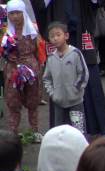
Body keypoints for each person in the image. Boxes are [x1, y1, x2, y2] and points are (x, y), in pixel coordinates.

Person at [2, 0, 45, 142]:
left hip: (31, 68)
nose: (15, 17)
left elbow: (39, 50)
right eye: (12, 13)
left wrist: (38, 67)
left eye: (18, 13)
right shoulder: (5, 31)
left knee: (33, 100)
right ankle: (13, 133)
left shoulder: (33, 31)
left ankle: (35, 131)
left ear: (23, 13)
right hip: (12, 69)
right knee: (13, 101)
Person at [43, 21, 89, 133]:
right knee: (60, 132)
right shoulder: (51, 58)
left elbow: (83, 73)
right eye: (52, 36)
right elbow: (46, 78)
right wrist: (53, 94)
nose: (55, 38)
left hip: (75, 102)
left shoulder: (75, 54)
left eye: (58, 35)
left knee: (78, 131)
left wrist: (76, 89)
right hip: (58, 102)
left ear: (66, 36)